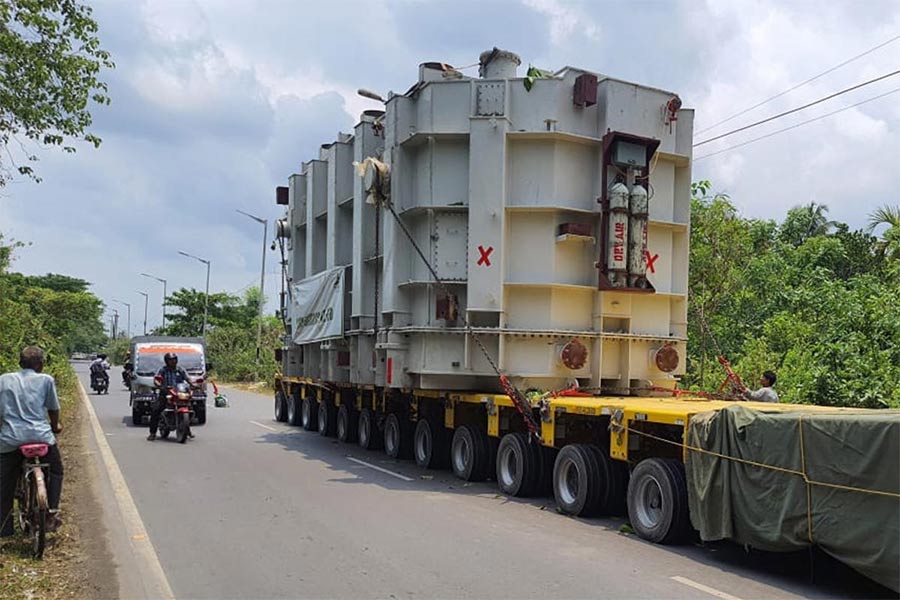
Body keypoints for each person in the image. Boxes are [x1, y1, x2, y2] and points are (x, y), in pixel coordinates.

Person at [0, 346, 64, 537]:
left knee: (4, 482)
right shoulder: (46, 380)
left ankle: (4, 528)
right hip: (40, 437)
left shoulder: (4, 379)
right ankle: (50, 513)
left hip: (11, 438)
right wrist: (55, 426)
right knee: (56, 470)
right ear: (40, 364)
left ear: (20, 363)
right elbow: (53, 409)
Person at [147, 352, 191, 441]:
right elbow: (157, 379)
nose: (173, 362)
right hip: (165, 394)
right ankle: (152, 433)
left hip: (178, 393)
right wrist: (158, 384)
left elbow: (187, 378)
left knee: (191, 406)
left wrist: (193, 384)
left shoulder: (180, 370)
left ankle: (187, 429)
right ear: (166, 361)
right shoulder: (163, 370)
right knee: (156, 410)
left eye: (174, 360)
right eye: (170, 360)